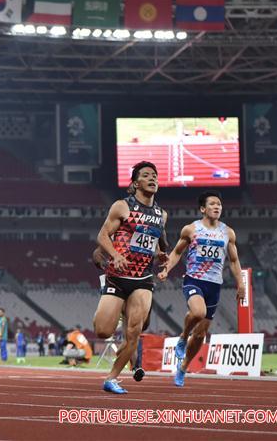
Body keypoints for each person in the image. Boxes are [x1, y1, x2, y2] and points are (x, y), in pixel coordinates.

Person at [92, 161, 167, 394]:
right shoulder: (122, 207)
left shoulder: (161, 215)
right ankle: (119, 315)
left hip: (143, 279)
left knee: (134, 331)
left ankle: (111, 378)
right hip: (117, 276)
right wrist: (114, 255)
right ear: (135, 183)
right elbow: (102, 236)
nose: (152, 178)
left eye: (154, 175)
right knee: (102, 330)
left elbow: (158, 243)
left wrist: (161, 255)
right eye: (146, 175)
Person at [158, 190, 244, 387]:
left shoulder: (227, 232)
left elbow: (234, 261)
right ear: (203, 209)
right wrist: (166, 270)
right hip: (194, 280)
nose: (217, 207)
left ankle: (183, 368)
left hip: (214, 285)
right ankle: (182, 337)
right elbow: (177, 252)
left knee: (200, 334)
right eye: (212, 204)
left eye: (219, 204)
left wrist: (241, 285)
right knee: (198, 311)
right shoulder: (191, 229)